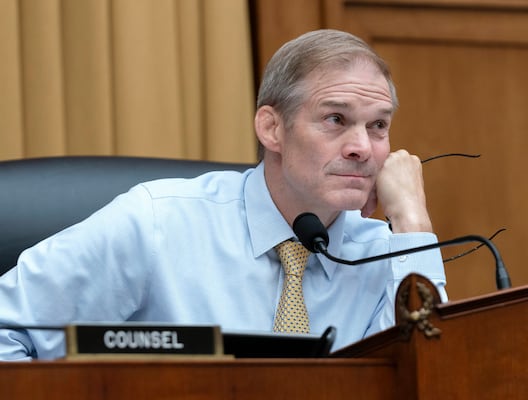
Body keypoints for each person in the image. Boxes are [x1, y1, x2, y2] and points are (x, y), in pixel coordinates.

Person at [0, 29, 447, 361]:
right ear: (272, 128)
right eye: (335, 119)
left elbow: (427, 375)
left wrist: (412, 222)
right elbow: (7, 331)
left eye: (378, 126)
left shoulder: (388, 256)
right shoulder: (157, 224)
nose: (362, 147)